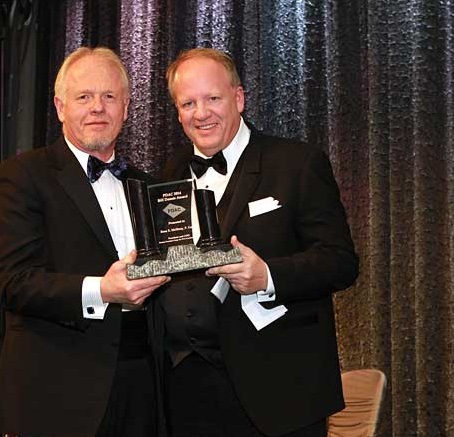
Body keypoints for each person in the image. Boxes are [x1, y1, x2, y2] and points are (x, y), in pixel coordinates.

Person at [153, 48, 359, 437]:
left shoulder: (297, 163)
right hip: (186, 393)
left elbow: (340, 261)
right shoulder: (168, 174)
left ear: (239, 98)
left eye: (212, 98)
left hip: (279, 391)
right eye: (188, 103)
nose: (201, 113)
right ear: (178, 112)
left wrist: (267, 275)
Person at [0, 47, 170, 437]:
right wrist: (102, 290)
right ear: (60, 107)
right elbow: (13, 283)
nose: (97, 108)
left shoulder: (149, 186)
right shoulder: (21, 176)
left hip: (143, 392)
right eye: (84, 97)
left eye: (109, 97)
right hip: (56, 395)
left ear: (126, 107)